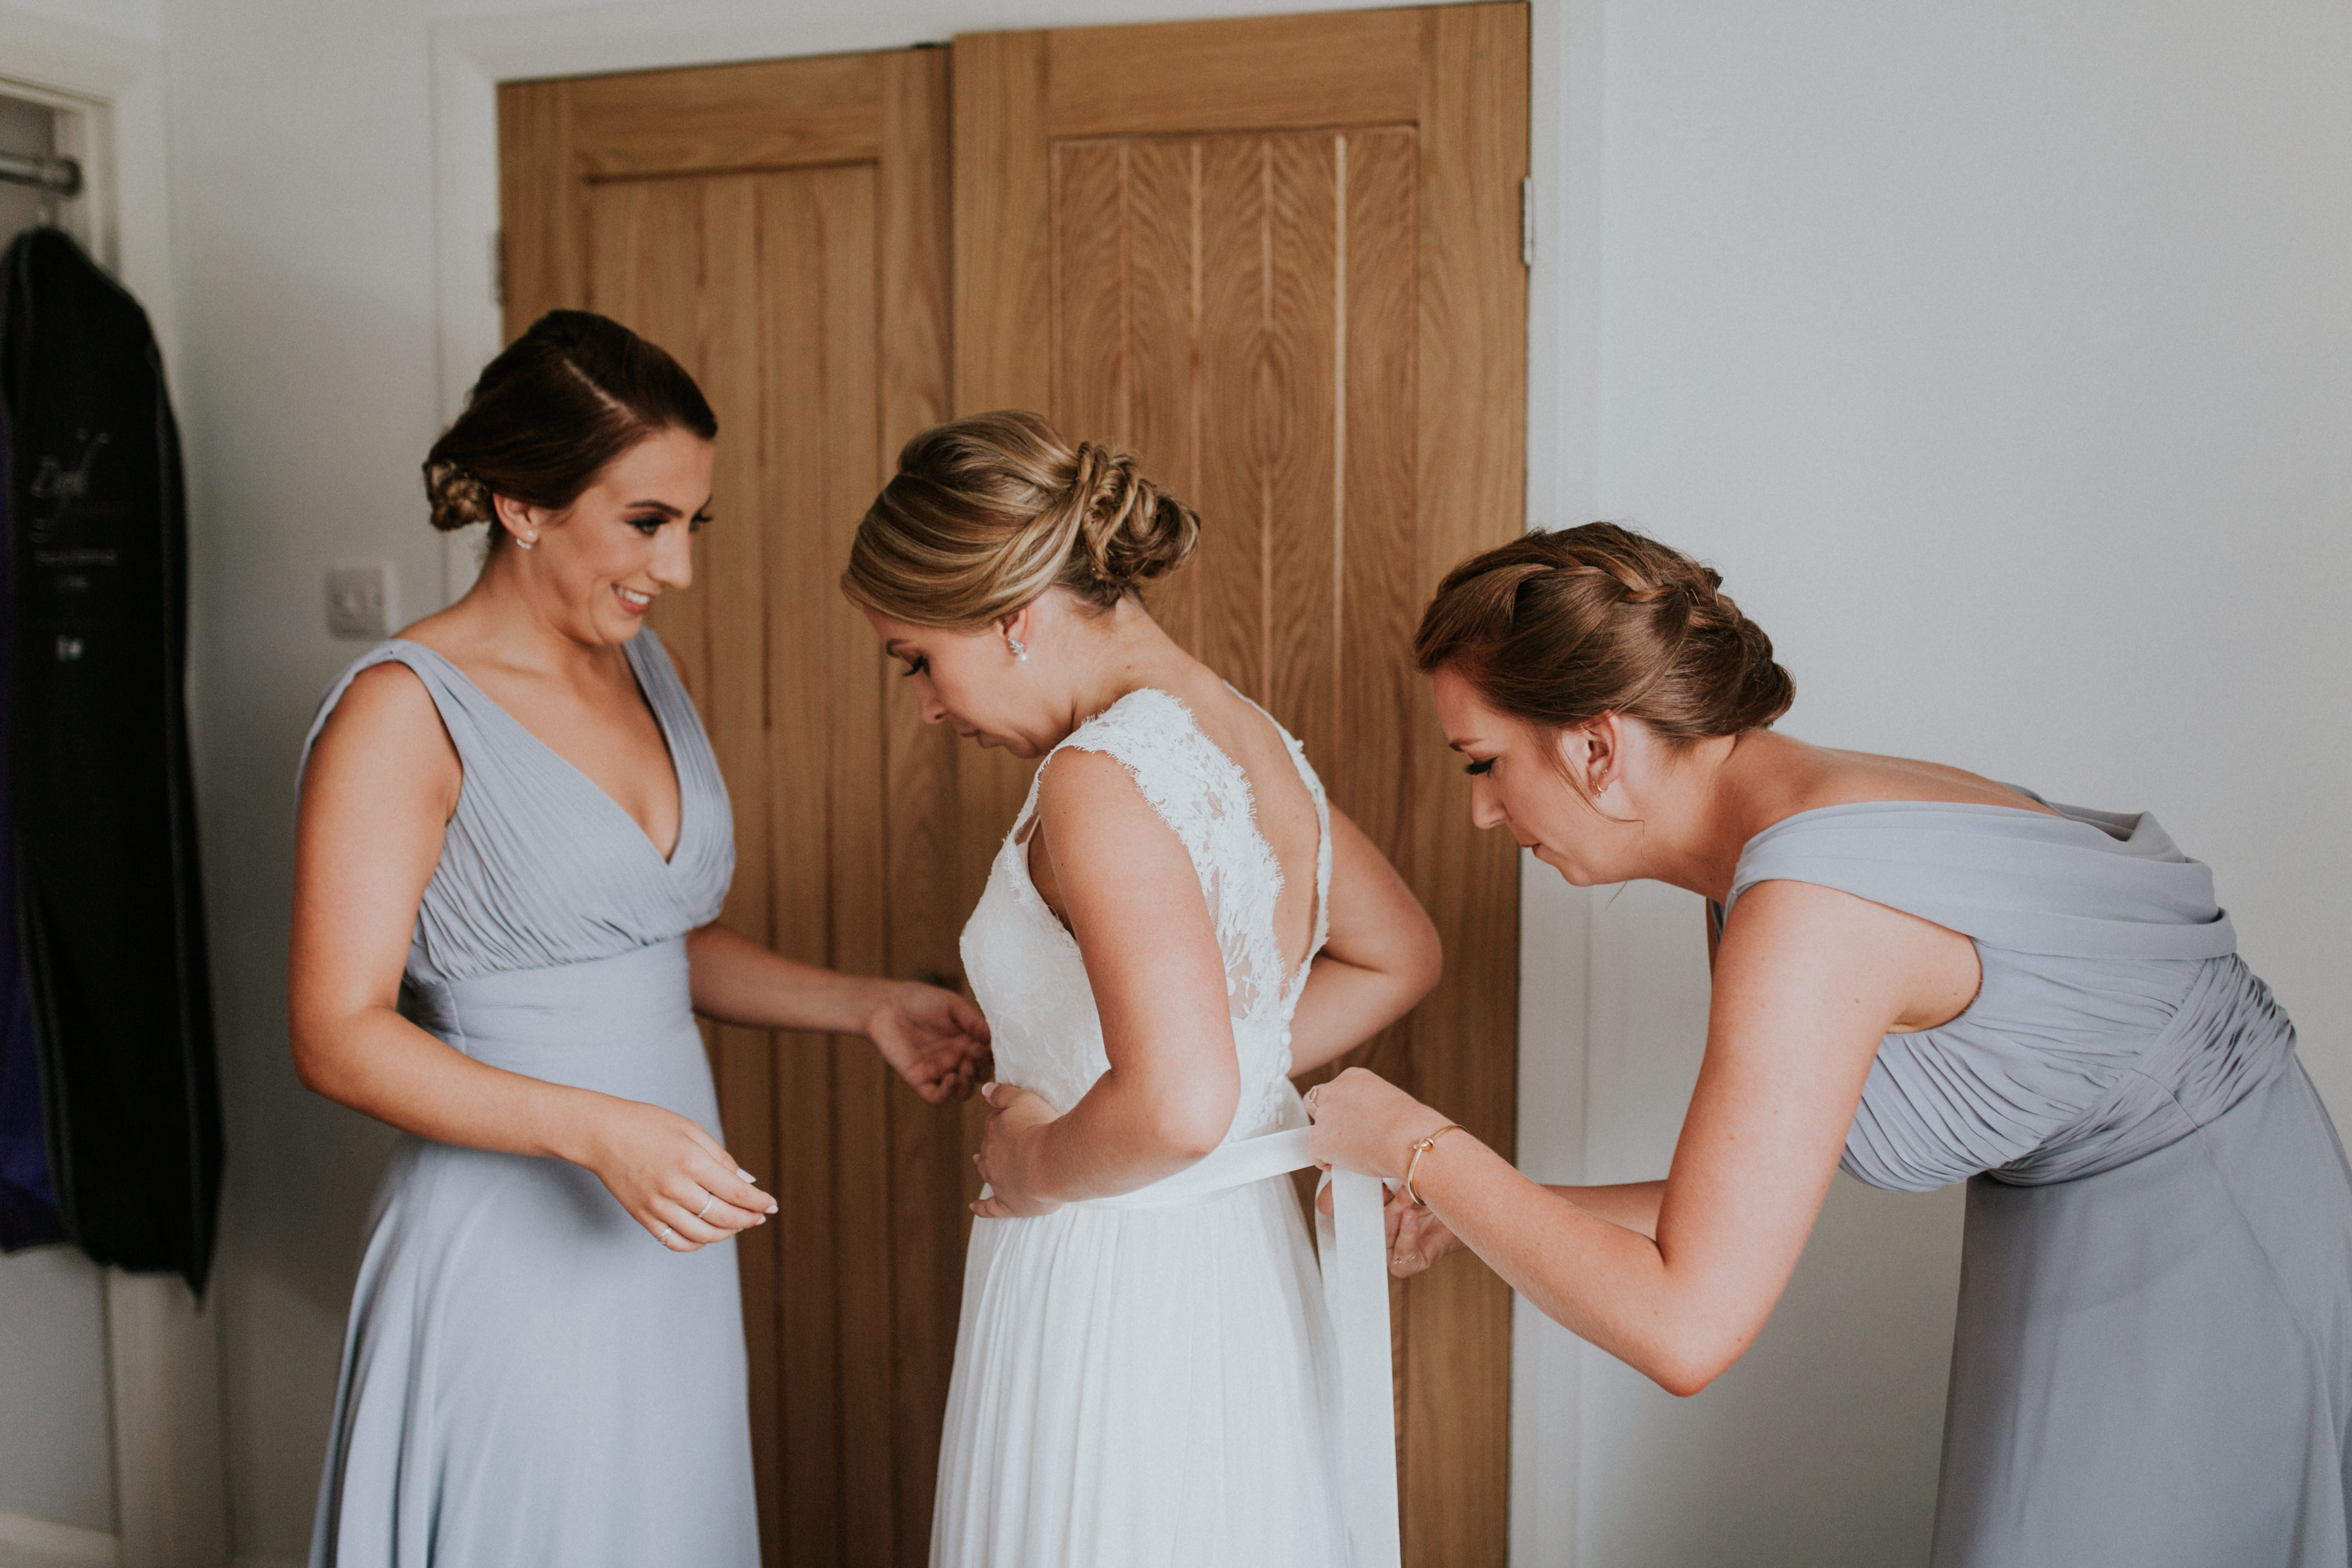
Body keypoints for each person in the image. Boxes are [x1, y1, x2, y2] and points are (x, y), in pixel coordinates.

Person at [1305, 521, 2352, 1566]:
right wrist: (1469, 1207)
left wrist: (1416, 1143)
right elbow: (1731, 1213)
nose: (1483, 812)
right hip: (2120, 1218)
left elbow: (1685, 1328)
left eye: (1482, 763)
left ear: (1594, 745)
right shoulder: (1780, 837)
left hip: (2207, 1257)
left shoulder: (1807, 903)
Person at [291, 310, 991, 1568]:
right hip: (509, 1233)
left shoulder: (643, 667)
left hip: (661, 1223)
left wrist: (865, 1003)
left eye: (691, 524)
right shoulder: (401, 714)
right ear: (521, 502)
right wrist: (595, 1127)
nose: (673, 569)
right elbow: (337, 1036)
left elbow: (652, 943)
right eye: (646, 521)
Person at [841, 411, 1441, 1567]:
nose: (924, 702)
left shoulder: (1097, 774)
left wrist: (1027, 1158)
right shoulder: (1249, 736)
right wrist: (1234, 1063)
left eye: (918, 656)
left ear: (1011, 613)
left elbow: (1172, 1106)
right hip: (1235, 1263)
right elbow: (1396, 951)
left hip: (1113, 1274)